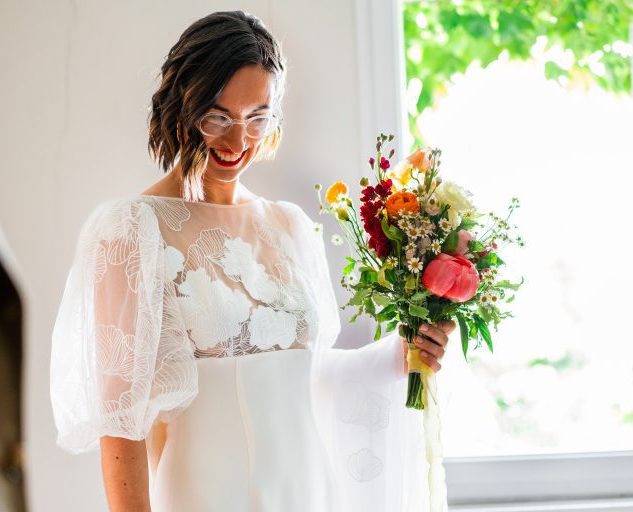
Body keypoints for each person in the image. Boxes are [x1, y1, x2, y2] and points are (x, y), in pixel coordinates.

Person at [50, 10, 455, 512]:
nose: (238, 141)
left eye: (257, 117)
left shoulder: (288, 227)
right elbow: (120, 424)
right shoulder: (132, 230)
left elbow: (307, 378)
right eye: (218, 116)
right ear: (182, 104)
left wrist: (400, 354)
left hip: (308, 494)